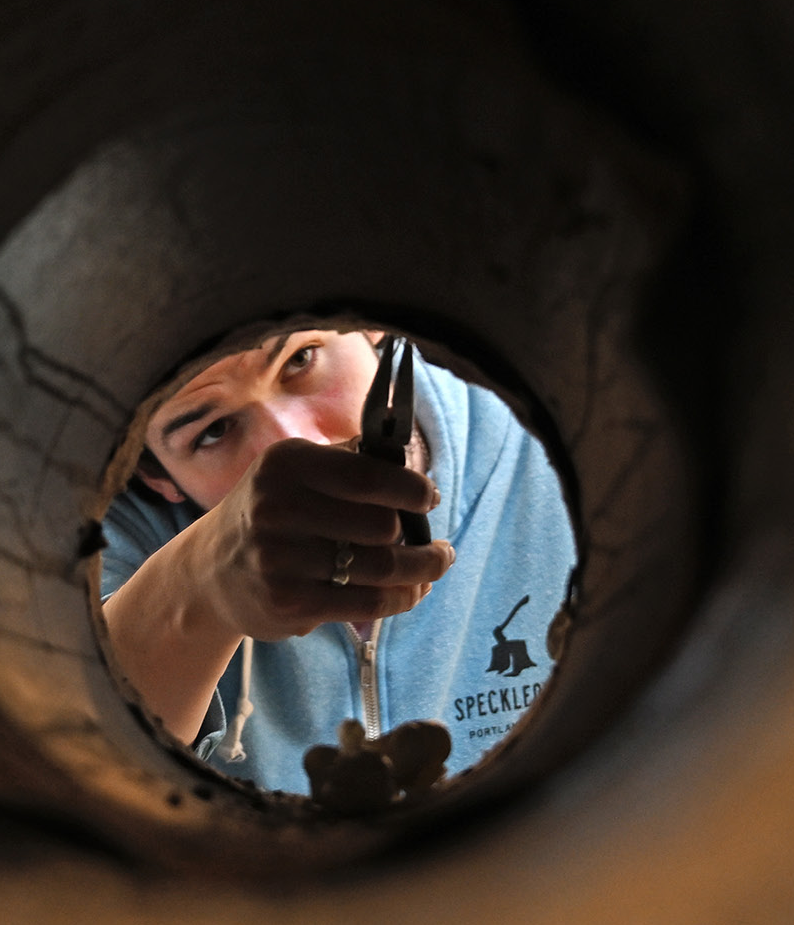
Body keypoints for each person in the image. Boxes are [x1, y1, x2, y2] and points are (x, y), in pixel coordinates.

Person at [99, 328, 577, 794]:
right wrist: (197, 590)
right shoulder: (102, 533)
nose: (299, 445)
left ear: (369, 325)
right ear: (156, 476)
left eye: (300, 361)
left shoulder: (562, 455)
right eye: (215, 431)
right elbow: (85, 760)